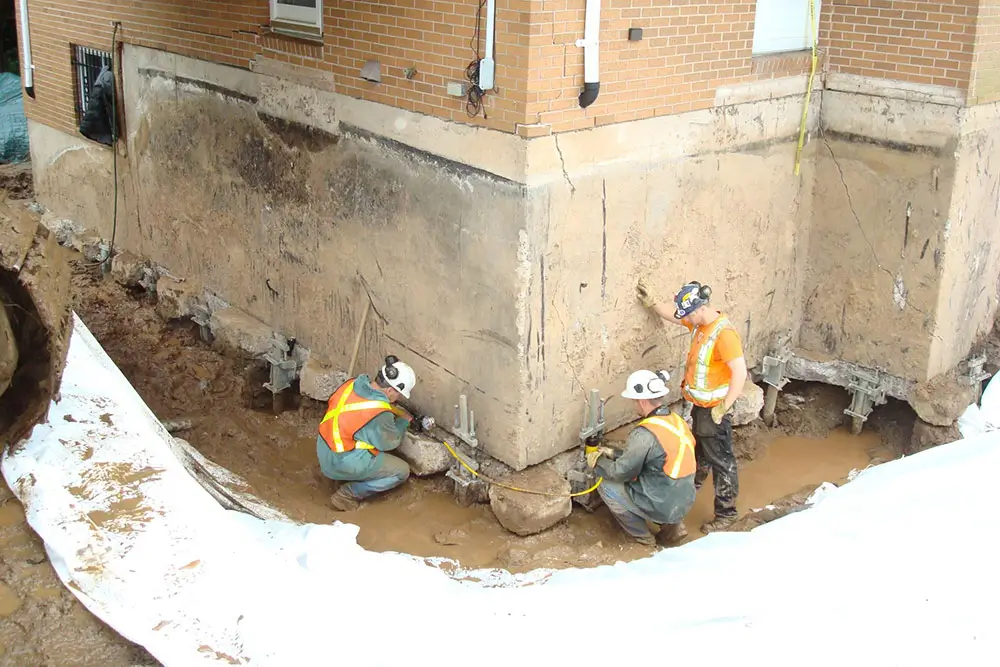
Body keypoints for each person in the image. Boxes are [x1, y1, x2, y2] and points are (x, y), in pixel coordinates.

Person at [636, 279, 747, 533]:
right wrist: (652, 303)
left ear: (700, 308)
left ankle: (726, 513)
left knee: (721, 460)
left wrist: (724, 408)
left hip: (715, 410)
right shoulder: (698, 324)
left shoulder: (724, 334)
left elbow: (739, 373)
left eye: (689, 314)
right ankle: (684, 498)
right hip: (700, 407)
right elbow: (674, 316)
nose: (686, 319)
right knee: (700, 456)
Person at [587, 369, 697, 547]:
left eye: (634, 401)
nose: (634, 405)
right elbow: (656, 458)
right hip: (684, 498)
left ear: (643, 401)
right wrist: (613, 453)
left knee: (606, 485)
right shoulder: (676, 421)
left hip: (661, 502)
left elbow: (619, 472)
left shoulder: (644, 433)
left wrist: (597, 462)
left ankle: (643, 539)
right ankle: (674, 528)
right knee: (660, 480)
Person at [317, 355, 417, 512]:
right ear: (390, 390)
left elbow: (358, 410)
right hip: (341, 461)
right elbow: (389, 442)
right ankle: (347, 494)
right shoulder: (380, 413)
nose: (398, 398)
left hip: (325, 449)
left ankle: (342, 476)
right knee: (401, 472)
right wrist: (403, 421)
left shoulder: (351, 384)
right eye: (398, 394)